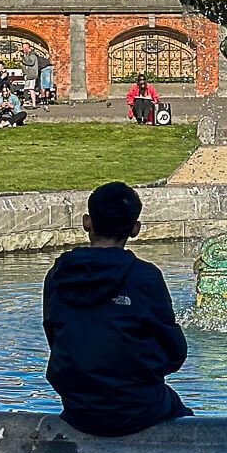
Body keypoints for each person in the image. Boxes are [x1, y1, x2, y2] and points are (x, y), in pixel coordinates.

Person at [43, 181, 192, 436]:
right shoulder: (144, 277)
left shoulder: (59, 273)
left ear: (87, 222)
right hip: (136, 405)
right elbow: (175, 351)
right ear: (135, 229)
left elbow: (54, 332)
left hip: (77, 405)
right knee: (188, 424)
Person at [20, 42, 40, 109]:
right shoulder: (27, 55)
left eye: (24, 48)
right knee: (26, 89)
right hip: (28, 75)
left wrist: (23, 60)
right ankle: (28, 101)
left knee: (31, 89)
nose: (23, 49)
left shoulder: (32, 55)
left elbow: (31, 63)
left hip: (32, 74)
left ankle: (33, 103)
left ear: (28, 48)